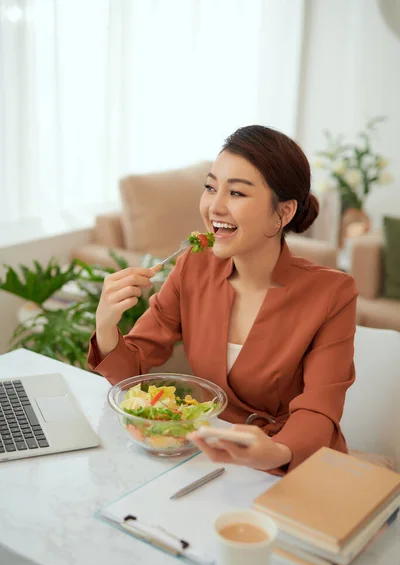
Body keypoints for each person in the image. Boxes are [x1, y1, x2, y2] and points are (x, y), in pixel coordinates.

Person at [88, 125, 358, 475]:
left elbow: (319, 410)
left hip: (293, 462)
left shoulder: (332, 294)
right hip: (210, 455)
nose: (215, 206)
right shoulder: (192, 266)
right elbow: (133, 368)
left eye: (237, 194)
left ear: (284, 212)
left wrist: (276, 451)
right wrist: (106, 325)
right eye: (211, 187)